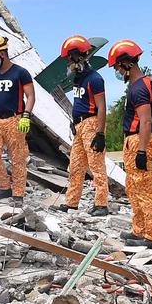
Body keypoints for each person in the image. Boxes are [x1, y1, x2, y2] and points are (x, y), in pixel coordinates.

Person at [108, 40, 152, 247]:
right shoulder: (146, 84)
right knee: (134, 187)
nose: (116, 71)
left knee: (144, 189)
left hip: (138, 140)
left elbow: (147, 120)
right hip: (141, 140)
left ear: (126, 64)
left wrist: (142, 150)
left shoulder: (139, 88)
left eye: (117, 66)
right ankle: (140, 230)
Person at [52, 36, 109, 216]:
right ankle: (71, 202)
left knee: (96, 165)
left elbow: (101, 107)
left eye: (69, 59)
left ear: (78, 57)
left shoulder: (95, 79)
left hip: (92, 124)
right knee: (75, 165)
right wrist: (74, 120)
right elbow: (80, 102)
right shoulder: (78, 79)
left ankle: (101, 204)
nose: (68, 63)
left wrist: (100, 133)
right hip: (80, 126)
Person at [0, 36, 35, 204]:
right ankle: (4, 187)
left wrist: (26, 115)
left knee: (17, 157)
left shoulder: (20, 72)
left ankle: (18, 192)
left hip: (15, 120)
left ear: (2, 54)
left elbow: (30, 96)